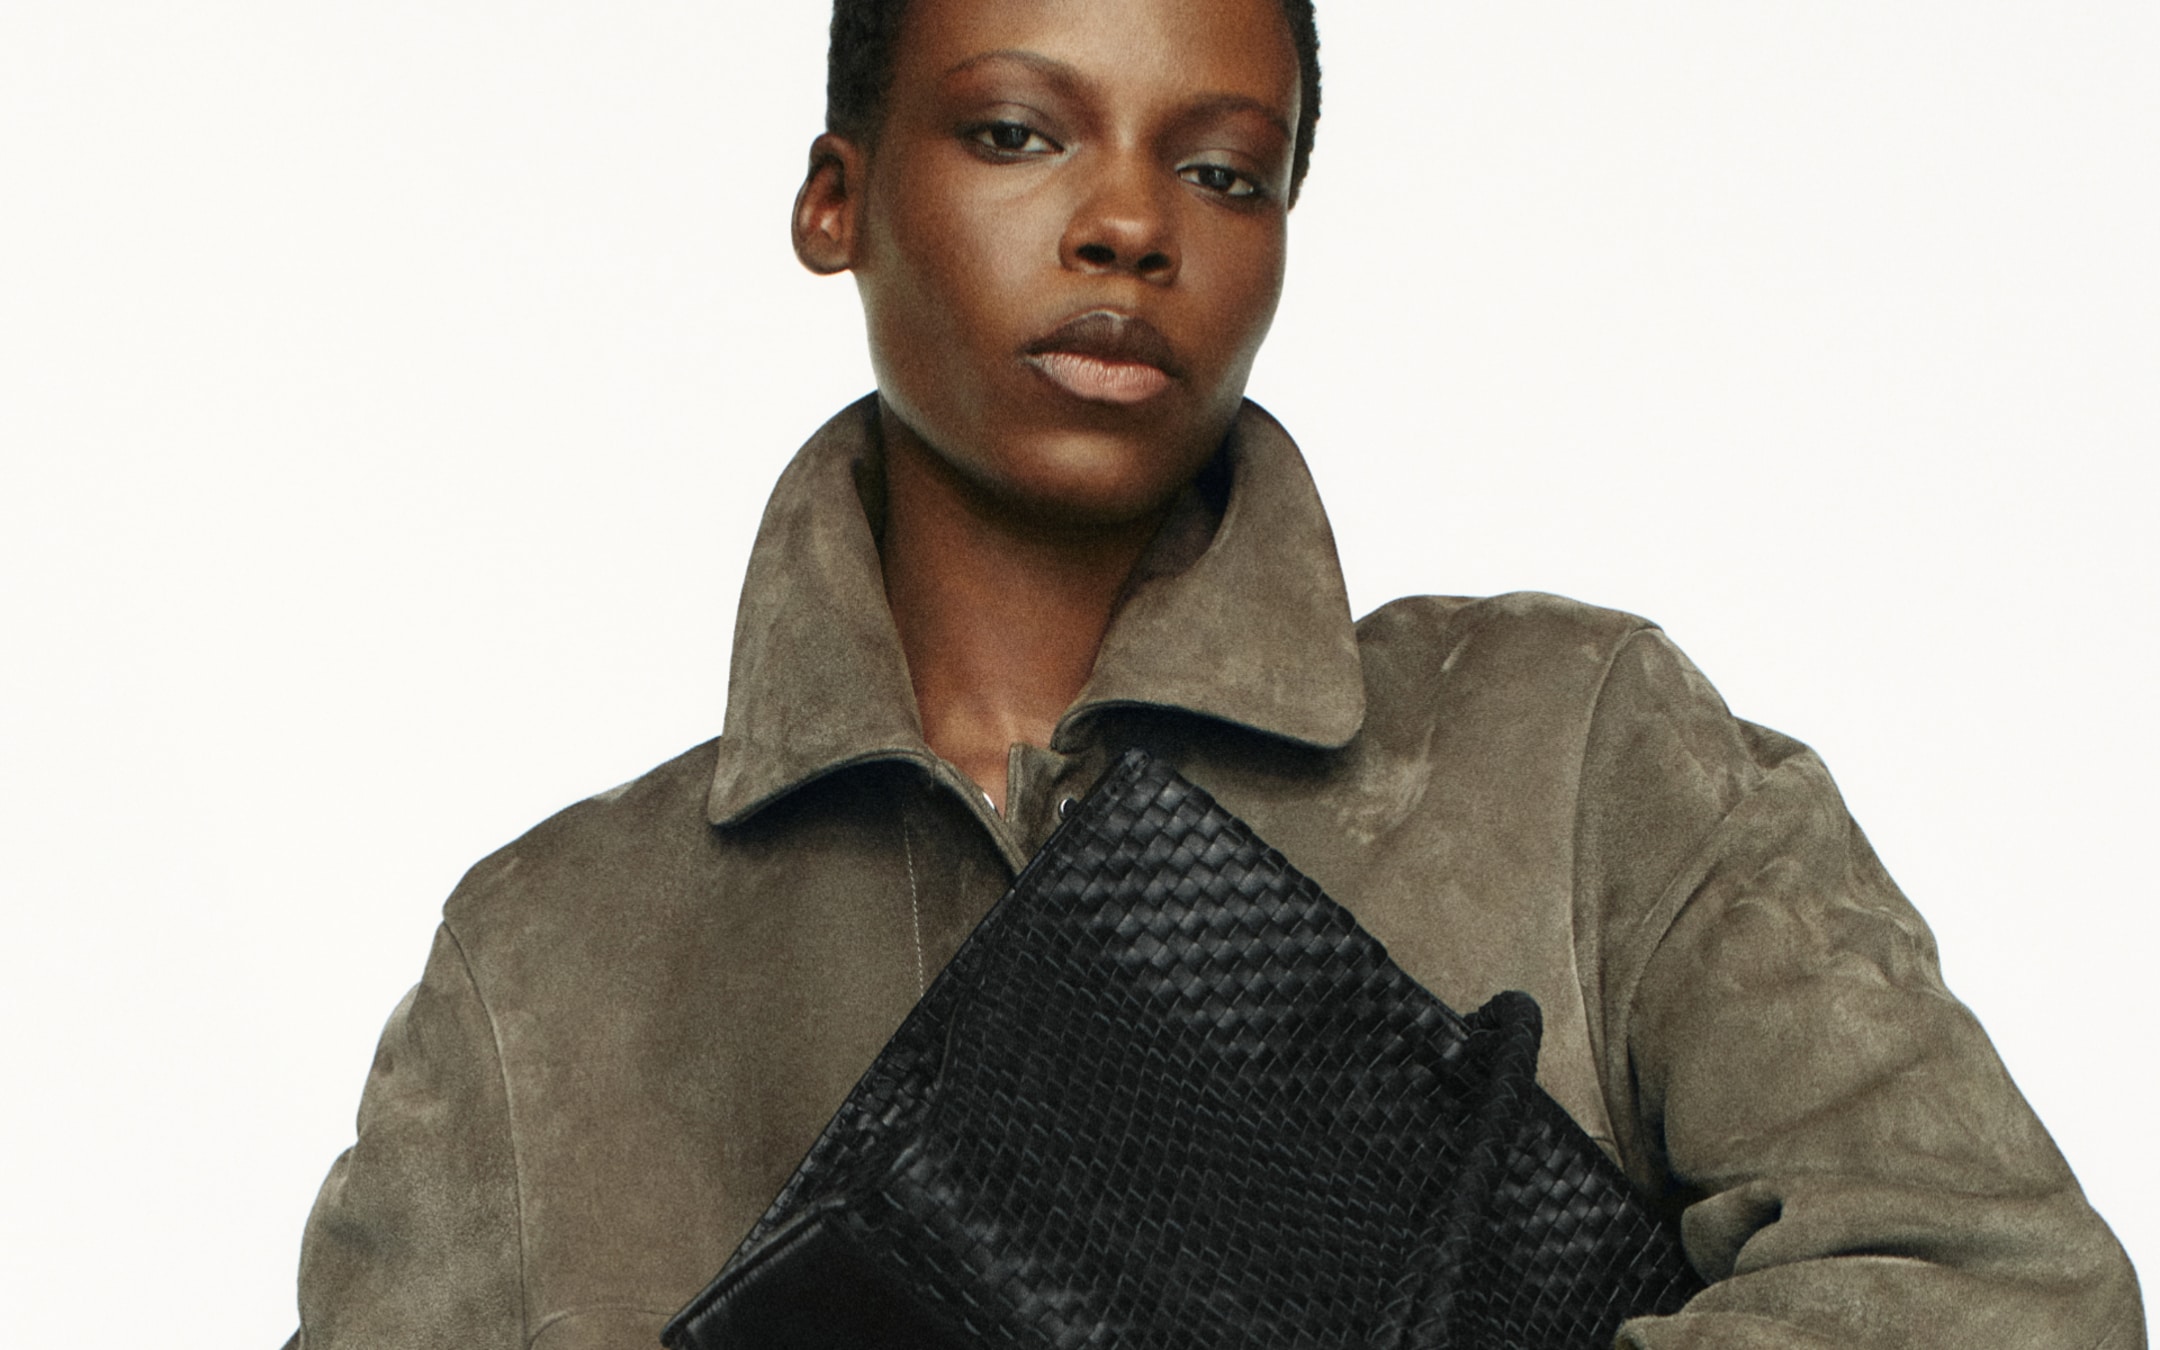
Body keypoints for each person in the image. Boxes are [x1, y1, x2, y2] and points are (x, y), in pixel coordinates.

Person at [288, 0, 2145, 1345]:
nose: (1131, 226)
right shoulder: (550, 965)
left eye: (1225, 169)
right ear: (834, 200)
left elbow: (2003, 1295)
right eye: (1018, 130)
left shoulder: (1575, 753)